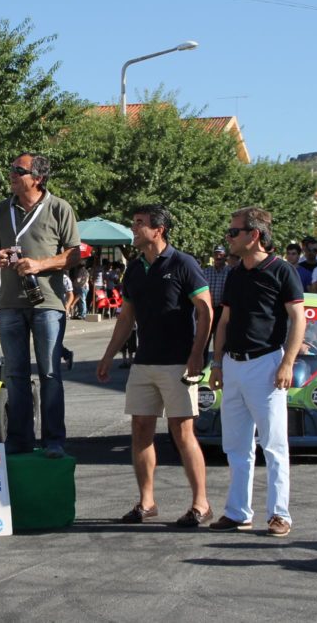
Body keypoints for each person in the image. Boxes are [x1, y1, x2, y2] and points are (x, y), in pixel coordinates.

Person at [96, 204, 213, 528]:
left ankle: (201, 504)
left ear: (158, 230)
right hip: (144, 362)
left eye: (139, 224)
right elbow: (126, 317)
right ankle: (147, 502)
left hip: (178, 362)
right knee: (140, 430)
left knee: (182, 432)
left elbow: (205, 310)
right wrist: (108, 356)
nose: (133, 229)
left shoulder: (183, 264)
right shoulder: (133, 269)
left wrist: (197, 353)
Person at [209, 206, 305, 538]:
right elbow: (224, 320)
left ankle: (280, 514)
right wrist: (217, 362)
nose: (228, 237)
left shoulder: (282, 271)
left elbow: (298, 319)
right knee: (235, 445)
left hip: (266, 364)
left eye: (233, 232)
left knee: (274, 444)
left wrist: (287, 362)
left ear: (254, 235)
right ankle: (238, 512)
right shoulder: (235, 273)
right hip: (233, 365)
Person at [0, 154, 80, 457]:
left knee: (50, 373)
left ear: (38, 178)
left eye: (19, 171)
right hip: (10, 303)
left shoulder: (59, 208)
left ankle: (53, 440)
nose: (12, 174)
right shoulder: (3, 209)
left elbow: (73, 255)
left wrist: (40, 264)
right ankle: (19, 440)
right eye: (12, 168)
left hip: (48, 304)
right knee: (14, 374)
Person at [202, 244, 229, 360]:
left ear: (225, 257)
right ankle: (201, 364)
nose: (218, 257)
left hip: (223, 311)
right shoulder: (206, 272)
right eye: (217, 254)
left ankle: (219, 364)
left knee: (221, 339)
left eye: (221, 254)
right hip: (208, 309)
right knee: (204, 337)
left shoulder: (230, 272)